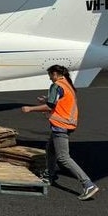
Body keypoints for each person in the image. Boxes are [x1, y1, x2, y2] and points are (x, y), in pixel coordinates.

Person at [21, 65, 99, 200]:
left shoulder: (57, 85)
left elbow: (51, 106)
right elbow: (59, 101)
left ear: (55, 74)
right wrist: (46, 99)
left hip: (60, 125)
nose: (50, 78)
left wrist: (30, 109)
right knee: (50, 149)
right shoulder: (67, 84)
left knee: (63, 157)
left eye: (50, 75)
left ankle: (88, 184)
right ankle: (48, 177)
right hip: (67, 123)